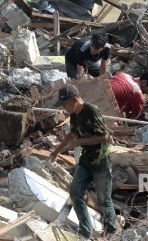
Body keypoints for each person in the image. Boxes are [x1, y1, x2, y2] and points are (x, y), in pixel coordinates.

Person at [49, 84, 116, 240]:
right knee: (76, 193)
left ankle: (111, 231)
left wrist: (80, 142)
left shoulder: (91, 110)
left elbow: (104, 136)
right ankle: (86, 230)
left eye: (65, 104)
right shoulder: (74, 114)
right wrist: (56, 152)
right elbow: (71, 134)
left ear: (75, 100)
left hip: (101, 162)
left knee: (104, 199)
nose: (64, 108)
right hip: (86, 161)